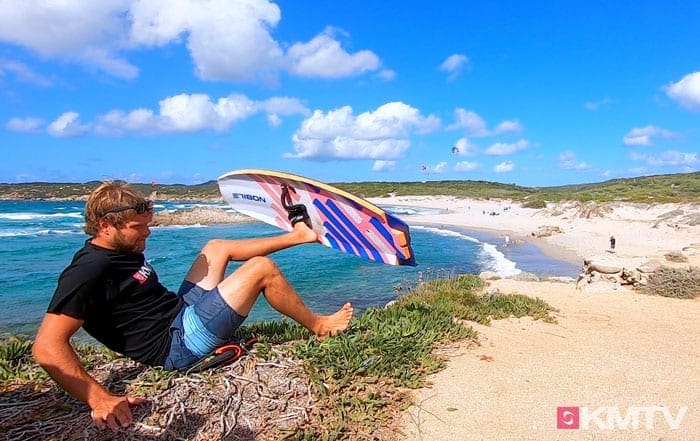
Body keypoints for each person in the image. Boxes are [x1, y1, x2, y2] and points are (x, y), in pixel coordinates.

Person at [32, 181, 354, 431]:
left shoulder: (121, 248)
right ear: (105, 226)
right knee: (260, 269)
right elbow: (47, 347)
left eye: (148, 223)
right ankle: (320, 326)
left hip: (180, 314)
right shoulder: (87, 271)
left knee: (215, 247)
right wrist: (99, 398)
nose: (149, 231)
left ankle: (300, 235)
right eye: (139, 227)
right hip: (178, 345)